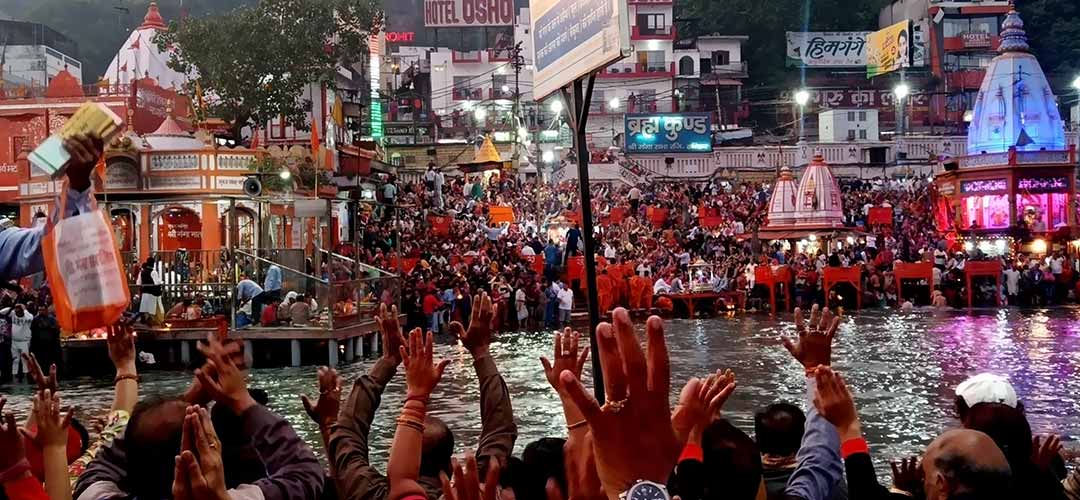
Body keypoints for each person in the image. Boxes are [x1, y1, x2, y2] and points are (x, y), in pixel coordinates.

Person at [330, 298, 516, 500]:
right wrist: (481, 352)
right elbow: (500, 429)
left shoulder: (368, 493)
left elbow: (347, 434)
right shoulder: (471, 492)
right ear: (449, 467)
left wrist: (387, 362)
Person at [29, 304, 61, 380]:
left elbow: (56, 331)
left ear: (46, 310)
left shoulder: (52, 319)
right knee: (41, 362)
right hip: (39, 346)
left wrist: (48, 327)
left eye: (42, 310)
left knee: (51, 362)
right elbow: (33, 332)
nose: (41, 312)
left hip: (51, 345)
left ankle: (53, 377)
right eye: (39, 310)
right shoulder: (35, 319)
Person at [3, 303, 33, 381]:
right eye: (16, 310)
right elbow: (2, 312)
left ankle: (26, 376)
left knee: (24, 360)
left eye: (19, 310)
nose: (17, 312)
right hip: (14, 341)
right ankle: (14, 376)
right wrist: (12, 306)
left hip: (24, 341)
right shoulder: (13, 314)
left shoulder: (27, 317)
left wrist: (24, 309)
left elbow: (30, 317)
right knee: (15, 359)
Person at [136, 257, 162, 325]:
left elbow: (138, 283)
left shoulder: (142, 272)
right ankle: (152, 324)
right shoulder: (153, 272)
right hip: (152, 294)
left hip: (144, 293)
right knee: (152, 311)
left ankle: (145, 323)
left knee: (145, 310)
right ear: (153, 264)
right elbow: (157, 283)